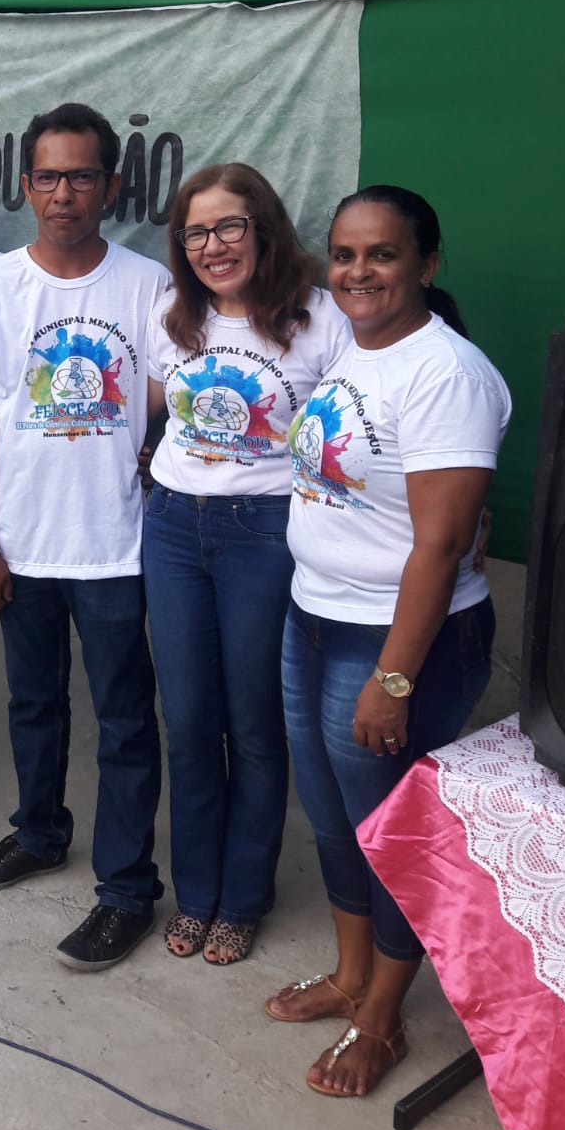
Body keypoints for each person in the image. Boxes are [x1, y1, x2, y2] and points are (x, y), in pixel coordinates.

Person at [266, 185, 511, 1099]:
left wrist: (395, 679)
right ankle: (349, 974)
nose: (358, 272)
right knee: (334, 817)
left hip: (401, 640)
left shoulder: (446, 373)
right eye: (345, 254)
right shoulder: (352, 351)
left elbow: (443, 543)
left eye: (382, 255)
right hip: (315, 614)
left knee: (396, 835)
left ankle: (383, 1019)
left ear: (427, 264)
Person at [0, 102, 169, 972]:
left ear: (110, 186)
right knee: (32, 703)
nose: (62, 192)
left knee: (124, 723)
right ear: (25, 185)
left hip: (118, 547)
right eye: (46, 176)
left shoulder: (149, 287)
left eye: (80, 175)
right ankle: (39, 833)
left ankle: (127, 890)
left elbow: (173, 394)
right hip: (22, 544)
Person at [143, 165, 350, 965]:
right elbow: (151, 414)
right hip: (171, 526)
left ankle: (244, 896)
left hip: (267, 530)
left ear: (264, 227)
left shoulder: (320, 320)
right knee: (190, 721)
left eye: (230, 226)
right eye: (196, 232)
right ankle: (195, 892)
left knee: (255, 725)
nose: (212, 246)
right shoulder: (176, 316)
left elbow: (357, 430)